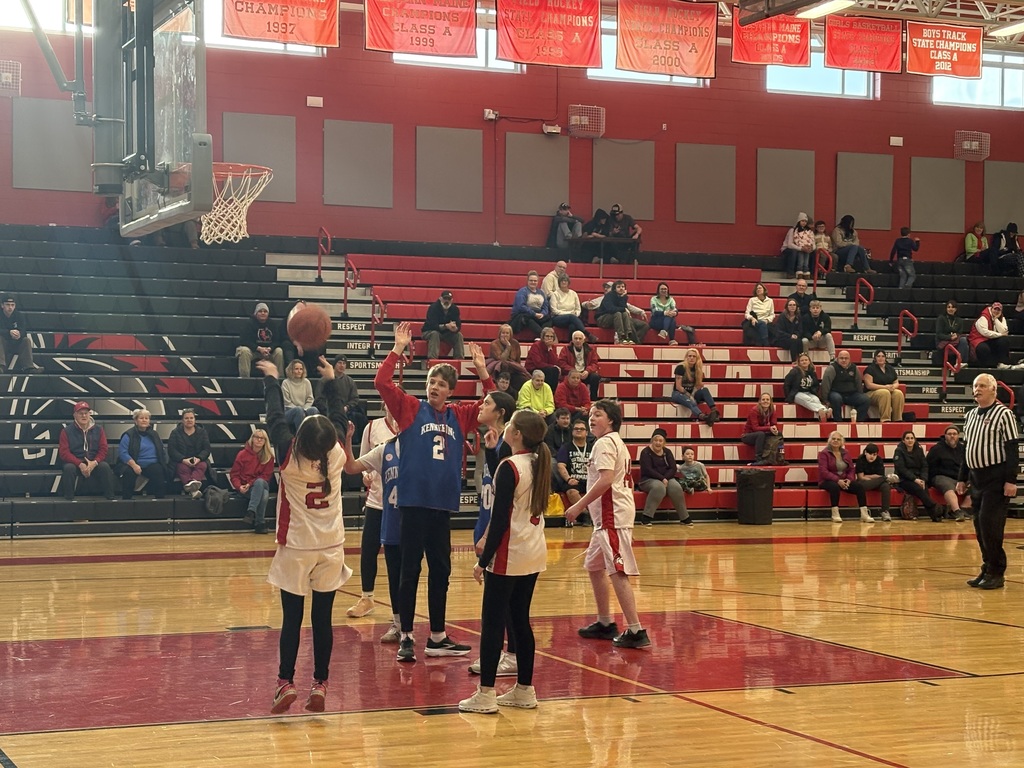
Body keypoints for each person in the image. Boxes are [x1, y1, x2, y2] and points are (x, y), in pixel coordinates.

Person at [374, 322, 494, 663]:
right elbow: (381, 383)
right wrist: (397, 349)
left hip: (442, 507)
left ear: (451, 391)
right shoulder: (411, 408)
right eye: (431, 383)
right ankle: (407, 635)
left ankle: (438, 636)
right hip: (412, 504)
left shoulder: (460, 415)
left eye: (441, 384)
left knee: (440, 571)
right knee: (409, 569)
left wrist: (483, 371)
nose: (434, 388)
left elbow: (494, 404)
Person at [258, 356, 351, 715]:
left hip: (297, 545)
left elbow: (275, 417)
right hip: (331, 546)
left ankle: (285, 681)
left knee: (292, 619)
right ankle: (321, 683)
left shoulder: (288, 456)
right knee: (323, 619)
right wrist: (330, 382)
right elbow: (338, 417)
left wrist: (271, 379)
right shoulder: (338, 454)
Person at [459, 410, 550, 714]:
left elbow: (499, 522)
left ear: (517, 434)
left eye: (510, 424)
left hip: (510, 553)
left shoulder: (510, 467)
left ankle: (485, 693)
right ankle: (525, 689)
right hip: (534, 550)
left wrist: (482, 561)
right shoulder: (538, 462)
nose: (506, 426)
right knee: (520, 621)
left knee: (493, 623)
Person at [565, 400, 651, 649]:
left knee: (617, 571)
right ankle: (605, 623)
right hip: (608, 516)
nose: (592, 418)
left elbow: (604, 480)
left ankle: (636, 630)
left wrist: (578, 505)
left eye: (598, 414)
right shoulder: (616, 442)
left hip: (611, 516)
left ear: (611, 420)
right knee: (594, 567)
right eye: (590, 414)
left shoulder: (604, 443)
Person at [958, 373, 1019, 590]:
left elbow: (1012, 450)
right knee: (978, 525)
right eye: (975, 386)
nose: (978, 389)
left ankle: (997, 571)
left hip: (996, 477)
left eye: (983, 385)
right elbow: (967, 449)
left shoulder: (1004, 414)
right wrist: (961, 478)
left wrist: (1012, 480)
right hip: (976, 478)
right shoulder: (971, 415)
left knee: (990, 524)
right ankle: (987, 566)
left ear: (994, 390)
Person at [345, 405, 400, 625]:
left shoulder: (410, 428)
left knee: (396, 558)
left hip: (399, 506)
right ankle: (366, 598)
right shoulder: (372, 427)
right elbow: (362, 460)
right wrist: (366, 476)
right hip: (376, 500)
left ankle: (399, 609)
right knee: (368, 550)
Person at [58, 401, 115, 501]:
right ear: (75, 415)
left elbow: (103, 449)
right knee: (68, 468)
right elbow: (64, 453)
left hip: (93, 461)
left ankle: (110, 498)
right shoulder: (66, 431)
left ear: (89, 414)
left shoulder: (99, 430)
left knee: (105, 467)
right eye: (80, 413)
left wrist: (94, 462)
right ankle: (68, 499)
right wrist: (80, 464)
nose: (84, 415)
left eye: (86, 413)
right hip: (75, 462)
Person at [637, 429, 692, 526]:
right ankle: (646, 518)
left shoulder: (667, 452)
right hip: (648, 479)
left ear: (664, 442)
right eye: (656, 440)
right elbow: (648, 470)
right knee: (659, 488)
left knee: (676, 487)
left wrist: (665, 478)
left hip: (666, 478)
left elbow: (673, 468)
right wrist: (662, 479)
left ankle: (684, 517)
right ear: (652, 441)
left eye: (660, 441)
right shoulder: (645, 452)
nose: (658, 443)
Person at [818, 431, 874, 523]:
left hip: (844, 480)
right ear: (829, 440)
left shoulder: (846, 452)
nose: (835, 441)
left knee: (859, 487)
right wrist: (838, 480)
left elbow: (851, 469)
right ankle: (835, 514)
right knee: (834, 487)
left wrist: (849, 479)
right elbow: (824, 472)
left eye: (838, 439)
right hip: (827, 480)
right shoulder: (824, 453)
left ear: (842, 442)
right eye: (833, 439)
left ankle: (864, 514)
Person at [230, 429, 275, 534]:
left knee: (259, 482)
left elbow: (266, 476)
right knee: (264, 495)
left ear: (265, 441)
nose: (259, 440)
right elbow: (234, 475)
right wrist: (239, 487)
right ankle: (260, 523)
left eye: (262, 438)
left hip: (261, 484)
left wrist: (250, 484)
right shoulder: (242, 454)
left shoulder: (269, 457)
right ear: (252, 439)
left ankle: (251, 511)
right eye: (257, 437)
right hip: (246, 489)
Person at [117, 409, 168, 500]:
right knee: (129, 473)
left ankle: (160, 501)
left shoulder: (154, 434)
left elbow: (161, 451)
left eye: (146, 418)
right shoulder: (128, 435)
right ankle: (126, 501)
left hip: (152, 464)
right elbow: (123, 453)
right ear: (136, 421)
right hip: (134, 464)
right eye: (141, 418)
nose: (144, 420)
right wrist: (134, 465)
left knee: (158, 471)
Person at [893, 431, 941, 522]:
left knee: (924, 489)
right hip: (904, 479)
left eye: (912, 438)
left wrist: (923, 479)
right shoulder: (899, 451)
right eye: (907, 438)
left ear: (915, 440)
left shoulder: (919, 449)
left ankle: (934, 516)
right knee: (919, 489)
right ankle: (934, 507)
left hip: (919, 477)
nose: (910, 440)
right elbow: (901, 469)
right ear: (903, 440)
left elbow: (924, 465)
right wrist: (915, 479)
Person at [927, 425, 970, 523]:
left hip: (959, 477)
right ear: (945, 436)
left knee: (976, 484)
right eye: (949, 434)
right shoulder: (936, 449)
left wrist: (968, 479)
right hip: (940, 476)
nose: (952, 436)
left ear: (958, 436)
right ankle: (957, 511)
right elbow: (928, 465)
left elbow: (968, 466)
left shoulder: (963, 449)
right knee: (948, 486)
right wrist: (928, 481)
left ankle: (964, 509)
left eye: (954, 434)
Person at [321, 356, 367, 445]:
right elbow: (319, 399)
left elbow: (355, 398)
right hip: (331, 411)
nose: (342, 365)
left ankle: (354, 441)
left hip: (346, 410)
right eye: (339, 363)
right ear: (334, 365)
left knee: (358, 417)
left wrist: (347, 407)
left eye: (344, 363)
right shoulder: (325, 380)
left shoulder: (349, 381)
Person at [167, 408, 211, 499]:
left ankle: (192, 486)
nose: (189, 420)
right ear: (182, 420)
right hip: (181, 461)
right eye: (186, 418)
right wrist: (183, 460)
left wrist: (199, 458)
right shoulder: (175, 433)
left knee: (202, 465)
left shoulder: (202, 432)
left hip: (198, 460)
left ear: (195, 419)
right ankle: (194, 490)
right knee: (182, 468)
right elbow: (172, 450)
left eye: (191, 418)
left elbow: (206, 449)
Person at [236, 302, 284, 378]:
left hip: (268, 351)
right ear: (256, 313)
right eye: (260, 311)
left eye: (265, 311)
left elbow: (277, 341)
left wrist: (270, 348)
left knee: (279, 351)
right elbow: (244, 341)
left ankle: (279, 378)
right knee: (244, 350)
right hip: (253, 351)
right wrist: (259, 348)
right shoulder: (249, 323)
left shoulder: (272, 324)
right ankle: (244, 378)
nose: (263, 313)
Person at [820, 350, 871, 423]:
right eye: (841, 358)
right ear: (837, 358)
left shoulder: (854, 368)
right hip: (836, 393)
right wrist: (825, 400)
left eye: (846, 358)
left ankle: (858, 422)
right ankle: (838, 422)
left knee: (865, 399)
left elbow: (858, 383)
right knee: (836, 398)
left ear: (849, 359)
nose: (844, 360)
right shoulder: (832, 368)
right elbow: (825, 385)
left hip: (851, 394)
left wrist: (860, 394)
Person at [671, 347, 718, 423]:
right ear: (686, 357)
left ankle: (715, 413)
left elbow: (698, 385)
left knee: (704, 390)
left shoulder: (697, 369)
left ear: (697, 358)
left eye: (694, 356)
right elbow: (678, 387)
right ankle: (704, 417)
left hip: (691, 393)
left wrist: (692, 394)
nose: (691, 358)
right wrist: (690, 396)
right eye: (689, 356)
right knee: (692, 402)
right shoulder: (681, 367)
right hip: (678, 393)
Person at [556, 420, 594, 510]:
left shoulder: (593, 448)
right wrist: (568, 479)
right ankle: (586, 514)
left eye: (582, 429)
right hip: (573, 480)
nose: (579, 430)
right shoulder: (566, 447)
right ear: (572, 431)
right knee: (572, 492)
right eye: (576, 429)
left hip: (590, 480)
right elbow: (561, 466)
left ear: (587, 432)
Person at [784, 353, 831, 422]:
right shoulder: (794, 371)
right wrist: (789, 396)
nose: (804, 361)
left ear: (809, 361)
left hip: (809, 392)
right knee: (807, 399)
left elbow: (816, 384)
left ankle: (822, 417)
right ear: (799, 363)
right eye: (802, 360)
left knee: (816, 400)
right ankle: (824, 410)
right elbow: (787, 384)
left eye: (806, 360)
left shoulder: (812, 372)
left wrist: (814, 391)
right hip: (797, 393)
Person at [0, 294, 42, 372]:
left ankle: (29, 367)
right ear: (2, 305)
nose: (10, 307)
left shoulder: (19, 315)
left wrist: (19, 334)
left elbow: (23, 330)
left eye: (12, 305)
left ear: (15, 306)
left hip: (15, 343)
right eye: (7, 305)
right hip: (3, 344)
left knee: (26, 340)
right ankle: (1, 366)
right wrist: (9, 333)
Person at [855, 443, 895, 522]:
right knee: (884, 480)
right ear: (865, 452)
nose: (872, 456)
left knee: (886, 486)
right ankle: (887, 478)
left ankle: (885, 511)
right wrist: (876, 477)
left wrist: (871, 477)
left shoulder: (879, 460)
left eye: (874, 454)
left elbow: (879, 477)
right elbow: (861, 477)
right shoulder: (860, 459)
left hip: (876, 483)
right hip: (863, 484)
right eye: (870, 454)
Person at [557, 330, 602, 402]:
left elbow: (594, 363)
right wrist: (574, 371)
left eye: (580, 339)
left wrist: (587, 371)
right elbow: (562, 363)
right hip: (571, 373)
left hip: (585, 373)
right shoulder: (566, 349)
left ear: (584, 340)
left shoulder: (590, 349)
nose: (578, 340)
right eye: (576, 338)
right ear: (572, 340)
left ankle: (593, 400)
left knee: (595, 377)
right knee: (569, 378)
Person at [741, 393, 784, 466]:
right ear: (760, 401)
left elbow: (774, 423)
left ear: (770, 401)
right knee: (760, 434)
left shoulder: (772, 410)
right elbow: (755, 428)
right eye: (763, 399)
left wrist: (775, 429)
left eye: (767, 399)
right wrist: (769, 428)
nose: (765, 401)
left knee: (779, 434)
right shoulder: (754, 411)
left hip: (763, 433)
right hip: (748, 435)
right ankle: (759, 459)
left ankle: (779, 456)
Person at [863, 350, 905, 423]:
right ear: (875, 358)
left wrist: (893, 387)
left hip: (887, 390)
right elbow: (869, 385)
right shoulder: (870, 369)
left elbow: (896, 382)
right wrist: (885, 387)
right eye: (878, 356)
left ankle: (897, 419)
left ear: (885, 358)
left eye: (883, 356)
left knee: (898, 393)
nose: (880, 358)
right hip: (870, 393)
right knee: (884, 392)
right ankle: (885, 419)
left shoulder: (890, 368)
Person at [421, 290, 465, 360]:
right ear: (440, 298)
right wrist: (446, 326)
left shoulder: (455, 309)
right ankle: (432, 360)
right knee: (434, 334)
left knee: (459, 335)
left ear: (452, 300)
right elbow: (431, 325)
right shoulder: (433, 308)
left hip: (446, 334)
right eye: (445, 299)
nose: (446, 301)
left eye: (449, 299)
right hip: (428, 331)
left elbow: (458, 325)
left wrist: (455, 328)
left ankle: (459, 360)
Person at [968, 302, 1012, 369]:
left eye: (998, 310)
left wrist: (996, 319)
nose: (996, 311)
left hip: (991, 339)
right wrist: (1000, 334)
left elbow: (1004, 331)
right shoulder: (983, 317)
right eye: (995, 309)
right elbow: (985, 333)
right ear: (991, 309)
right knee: (983, 348)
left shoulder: (1001, 318)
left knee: (1004, 340)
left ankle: (1002, 363)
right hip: (979, 339)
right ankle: (984, 366)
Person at [487, 324, 529, 392]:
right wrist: (508, 347)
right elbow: (501, 359)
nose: (505, 335)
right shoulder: (494, 344)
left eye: (507, 333)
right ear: (499, 334)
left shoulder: (515, 343)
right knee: (505, 365)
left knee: (524, 380)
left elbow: (517, 360)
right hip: (499, 370)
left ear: (510, 335)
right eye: (503, 333)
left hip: (513, 370)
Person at [281, 359, 319, 433]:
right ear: (291, 370)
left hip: (304, 409)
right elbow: (287, 402)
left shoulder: (306, 382)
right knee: (298, 410)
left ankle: (314, 435)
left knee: (313, 410)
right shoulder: (286, 383)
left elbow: (310, 399)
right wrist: (301, 410)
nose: (299, 371)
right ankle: (301, 435)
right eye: (296, 369)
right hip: (289, 411)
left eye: (301, 369)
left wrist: (304, 409)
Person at [510, 271, 551, 338]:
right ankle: (543, 335)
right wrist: (534, 314)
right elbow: (521, 306)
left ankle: (543, 335)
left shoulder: (541, 292)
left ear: (538, 281)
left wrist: (543, 314)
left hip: (538, 314)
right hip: (525, 314)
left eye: (535, 281)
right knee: (528, 318)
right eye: (531, 280)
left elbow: (545, 306)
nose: (533, 282)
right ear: (527, 281)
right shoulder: (522, 291)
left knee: (549, 319)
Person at [548, 275, 590, 339]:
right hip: (558, 318)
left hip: (572, 317)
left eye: (565, 281)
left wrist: (576, 314)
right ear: (559, 283)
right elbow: (554, 310)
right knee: (571, 317)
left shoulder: (573, 293)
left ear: (568, 282)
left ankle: (570, 342)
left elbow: (578, 309)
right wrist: (569, 314)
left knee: (572, 325)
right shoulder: (555, 294)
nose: (564, 282)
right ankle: (587, 333)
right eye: (562, 281)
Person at [935, 299, 970, 366]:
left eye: (953, 307)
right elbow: (939, 334)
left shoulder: (959, 320)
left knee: (964, 340)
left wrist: (955, 336)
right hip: (943, 342)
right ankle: (960, 362)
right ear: (946, 308)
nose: (951, 309)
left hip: (955, 341)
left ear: (956, 309)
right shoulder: (941, 318)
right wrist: (950, 337)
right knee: (963, 342)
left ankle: (959, 363)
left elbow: (959, 332)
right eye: (949, 307)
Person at [780, 212, 814, 279]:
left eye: (805, 221)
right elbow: (790, 245)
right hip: (789, 249)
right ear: (799, 221)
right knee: (794, 252)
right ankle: (790, 273)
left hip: (804, 248)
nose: (804, 223)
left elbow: (813, 242)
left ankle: (810, 273)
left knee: (814, 253)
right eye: (802, 221)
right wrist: (801, 248)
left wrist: (810, 248)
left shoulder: (809, 232)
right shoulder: (792, 230)